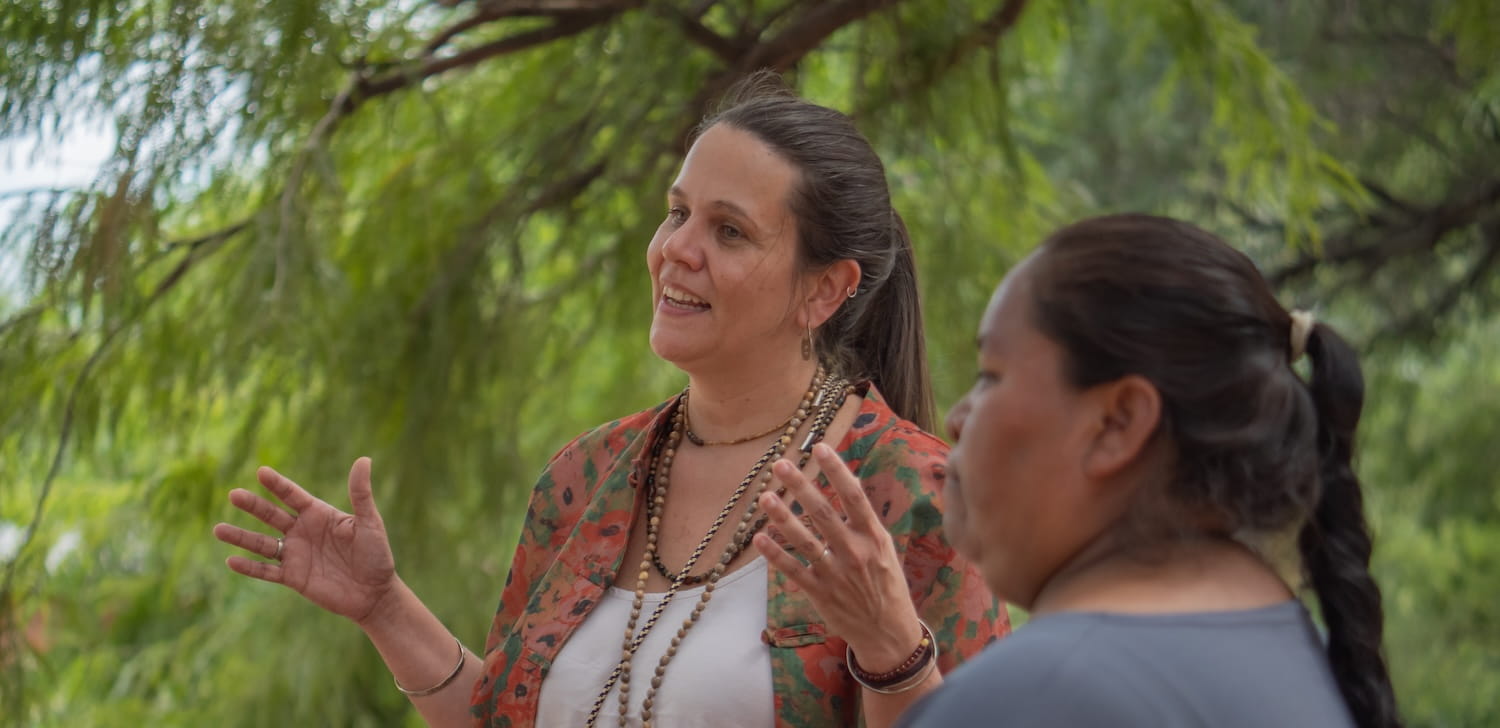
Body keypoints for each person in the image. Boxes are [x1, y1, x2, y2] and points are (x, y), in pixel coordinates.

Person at [213, 72, 1006, 728]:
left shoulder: (914, 495)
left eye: (729, 231)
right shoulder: (586, 476)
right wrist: (385, 608)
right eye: (677, 211)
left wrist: (894, 653)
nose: (676, 250)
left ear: (825, 290)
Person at [757, 214, 1401, 727]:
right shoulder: (1283, 639)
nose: (958, 416)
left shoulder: (1043, 694)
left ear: (1117, 424)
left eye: (993, 376)